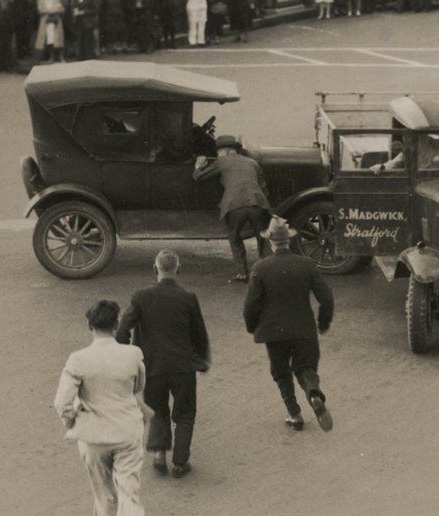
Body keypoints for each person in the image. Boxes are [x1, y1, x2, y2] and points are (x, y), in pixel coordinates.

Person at [53, 300, 148, 516]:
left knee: (102, 489)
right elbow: (137, 387)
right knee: (128, 489)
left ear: (89, 326)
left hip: (93, 437)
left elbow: (61, 402)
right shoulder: (132, 354)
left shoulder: (78, 359)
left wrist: (72, 421)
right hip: (127, 432)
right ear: (116, 325)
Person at [116, 249, 210, 478]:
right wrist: (201, 360)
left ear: (155, 268)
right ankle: (180, 462)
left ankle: (159, 453)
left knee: (157, 410)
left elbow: (122, 329)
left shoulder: (141, 296)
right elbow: (199, 333)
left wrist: (127, 355)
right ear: (178, 269)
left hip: (152, 367)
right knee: (185, 414)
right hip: (183, 367)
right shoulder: (188, 297)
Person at [243, 216, 334, 432]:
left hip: (274, 332)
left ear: (270, 242)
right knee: (306, 367)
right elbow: (327, 298)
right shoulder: (307, 264)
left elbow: (251, 304)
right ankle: (313, 393)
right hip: (304, 329)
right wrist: (323, 323)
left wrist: (252, 326)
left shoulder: (260, 268)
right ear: (290, 240)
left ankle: (294, 414)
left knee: (281, 373)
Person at [192, 134, 271, 281]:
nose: (217, 155)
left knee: (234, 237)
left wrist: (198, 167)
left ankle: (242, 273)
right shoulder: (252, 162)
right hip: (258, 204)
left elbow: (199, 178)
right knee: (262, 238)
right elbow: (264, 188)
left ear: (226, 151)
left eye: (218, 152)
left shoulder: (222, 162)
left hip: (234, 205)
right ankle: (268, 272)